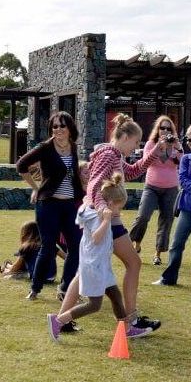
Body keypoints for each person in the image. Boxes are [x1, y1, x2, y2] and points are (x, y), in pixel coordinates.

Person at [58, 113, 167, 338]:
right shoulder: (109, 155)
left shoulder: (114, 155)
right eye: (136, 142)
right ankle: (132, 319)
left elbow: (133, 171)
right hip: (106, 221)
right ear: (125, 136)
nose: (137, 147)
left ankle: (61, 320)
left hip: (104, 220)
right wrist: (103, 209)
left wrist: (154, 152)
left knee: (83, 274)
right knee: (134, 263)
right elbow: (95, 184)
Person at [46, 174, 149, 341]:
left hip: (101, 264)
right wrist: (106, 220)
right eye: (118, 208)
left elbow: (83, 211)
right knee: (94, 305)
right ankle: (58, 321)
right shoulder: (98, 216)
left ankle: (125, 329)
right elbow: (96, 237)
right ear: (109, 204)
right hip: (94, 266)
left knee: (115, 296)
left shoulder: (90, 208)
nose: (119, 212)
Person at [16, 111, 84, 301]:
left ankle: (64, 289)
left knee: (76, 246)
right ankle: (35, 288)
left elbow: (73, 175)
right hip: (49, 204)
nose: (58, 129)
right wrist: (36, 188)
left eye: (62, 125)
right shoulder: (45, 147)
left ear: (70, 128)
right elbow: (21, 165)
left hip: (70, 205)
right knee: (47, 246)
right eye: (55, 126)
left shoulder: (73, 147)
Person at [129, 115, 183, 265]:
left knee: (166, 220)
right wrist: (160, 147)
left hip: (171, 187)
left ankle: (157, 254)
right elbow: (147, 162)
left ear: (172, 130)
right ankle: (136, 242)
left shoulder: (176, 145)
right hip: (152, 186)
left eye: (168, 128)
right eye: (162, 128)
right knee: (142, 216)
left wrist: (178, 147)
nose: (165, 131)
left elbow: (181, 162)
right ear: (157, 130)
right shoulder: (150, 144)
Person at [153, 126, 191, 286]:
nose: (189, 142)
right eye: (188, 139)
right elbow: (182, 179)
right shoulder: (186, 159)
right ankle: (168, 279)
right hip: (187, 209)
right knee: (176, 244)